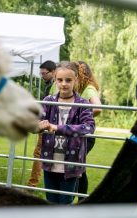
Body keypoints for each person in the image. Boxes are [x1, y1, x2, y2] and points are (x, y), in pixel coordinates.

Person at [38, 62, 95, 204]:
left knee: (65, 203)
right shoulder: (48, 101)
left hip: (71, 163)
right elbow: (33, 124)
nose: (64, 84)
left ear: (76, 79)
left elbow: (89, 127)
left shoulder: (82, 104)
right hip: (50, 161)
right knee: (50, 203)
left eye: (68, 80)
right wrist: (39, 126)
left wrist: (58, 128)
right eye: (60, 80)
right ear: (55, 80)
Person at [74, 61, 102, 202]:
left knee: (78, 167)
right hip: (78, 134)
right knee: (77, 166)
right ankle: (80, 199)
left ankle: (81, 199)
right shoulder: (79, 89)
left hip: (85, 135)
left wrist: (83, 117)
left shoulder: (89, 88)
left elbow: (97, 108)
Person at [27, 60, 56, 187]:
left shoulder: (54, 86)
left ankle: (32, 184)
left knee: (38, 153)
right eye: (41, 73)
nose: (42, 76)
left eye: (44, 74)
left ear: (53, 72)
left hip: (48, 124)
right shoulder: (49, 85)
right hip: (48, 123)